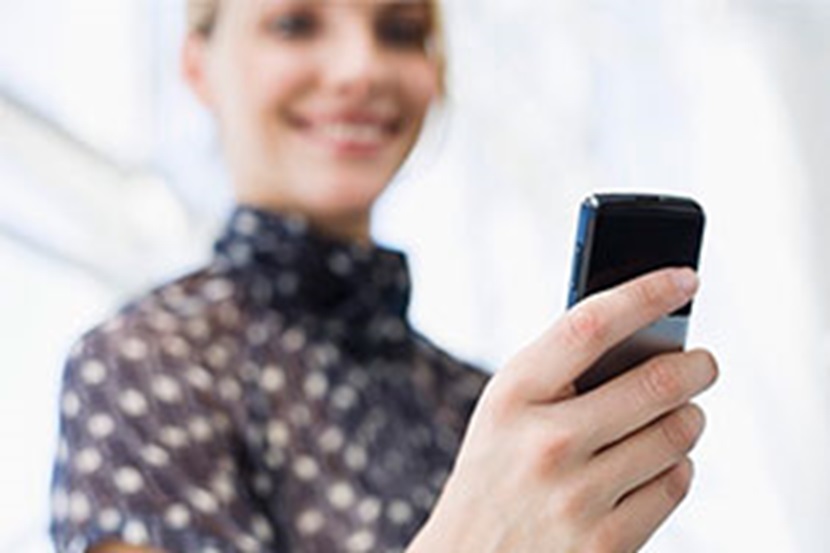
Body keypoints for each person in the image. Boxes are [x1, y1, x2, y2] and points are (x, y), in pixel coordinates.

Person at [49, 0, 719, 552]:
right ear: (198, 67)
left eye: (400, 31)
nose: (362, 68)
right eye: (294, 23)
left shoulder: (484, 405)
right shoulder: (144, 363)